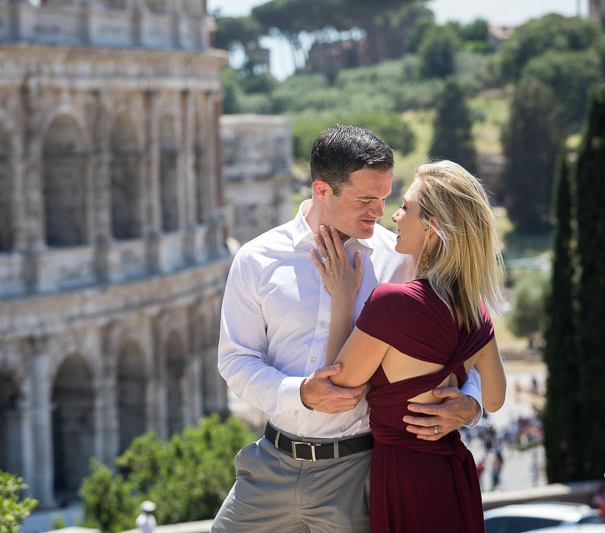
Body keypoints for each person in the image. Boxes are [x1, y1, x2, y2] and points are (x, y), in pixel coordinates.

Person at [213, 126, 485, 533]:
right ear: (322, 190)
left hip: (360, 472)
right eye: (365, 199)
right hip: (270, 464)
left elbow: (473, 337)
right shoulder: (257, 259)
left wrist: (471, 403)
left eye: (385, 198)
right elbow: (236, 361)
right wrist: (301, 393)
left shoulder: (402, 262)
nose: (380, 212)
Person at [315, 160, 506, 532]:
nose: (395, 216)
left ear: (432, 227)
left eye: (405, 207)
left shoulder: (392, 304)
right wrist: (469, 407)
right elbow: (495, 399)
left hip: (407, 480)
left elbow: (338, 385)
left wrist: (342, 297)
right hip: (453, 475)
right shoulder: (476, 309)